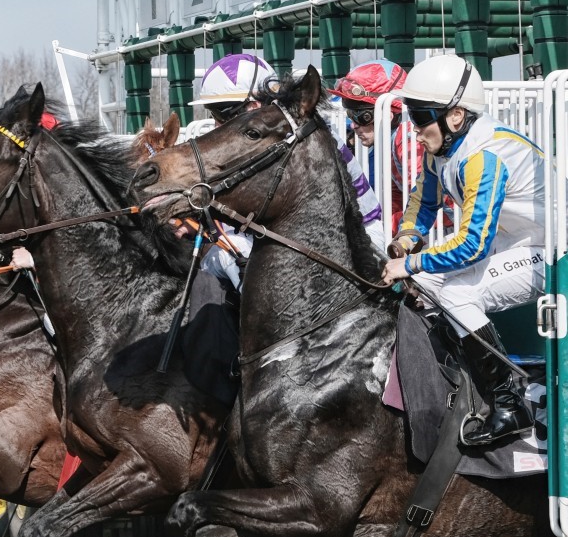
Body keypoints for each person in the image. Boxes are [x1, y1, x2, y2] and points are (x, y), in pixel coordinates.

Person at [381, 54, 544, 446]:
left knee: (453, 291)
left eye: (421, 118)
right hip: (516, 239)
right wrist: (406, 240)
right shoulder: (443, 148)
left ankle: (510, 403)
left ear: (455, 116)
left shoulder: (482, 158)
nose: (415, 131)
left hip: (553, 251)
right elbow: (424, 202)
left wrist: (411, 262)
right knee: (429, 281)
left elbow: (472, 244)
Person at [186, 54, 385, 291]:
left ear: (254, 107)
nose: (217, 126)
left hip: (358, 241)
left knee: (233, 254)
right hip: (299, 242)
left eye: (221, 114)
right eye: (212, 114)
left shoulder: (304, 140)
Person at [330, 59, 426, 233]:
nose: (354, 126)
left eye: (361, 116)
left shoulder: (408, 139)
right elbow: (397, 197)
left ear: (388, 113)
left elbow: (427, 205)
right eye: (350, 116)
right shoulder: (390, 140)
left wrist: (387, 226)